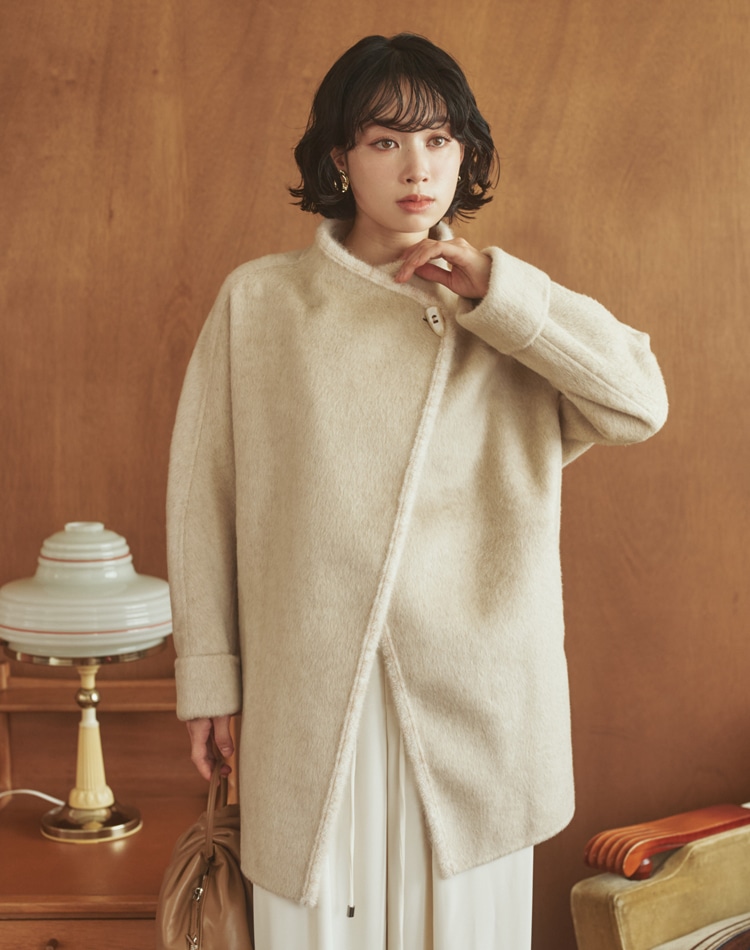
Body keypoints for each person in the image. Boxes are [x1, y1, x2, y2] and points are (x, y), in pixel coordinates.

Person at [166, 32, 668, 950]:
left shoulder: (501, 315)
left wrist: (499, 293)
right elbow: (206, 501)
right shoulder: (261, 303)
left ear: (465, 154)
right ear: (340, 157)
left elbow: (639, 403)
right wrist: (209, 675)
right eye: (386, 140)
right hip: (311, 689)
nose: (417, 167)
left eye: (440, 140)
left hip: (475, 701)